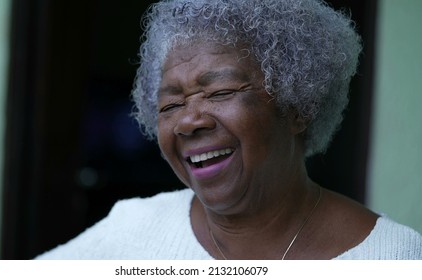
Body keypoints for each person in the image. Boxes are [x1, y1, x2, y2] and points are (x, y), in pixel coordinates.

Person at [36, 0, 422, 259]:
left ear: (298, 106)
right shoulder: (132, 230)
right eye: (171, 104)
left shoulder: (395, 254)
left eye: (219, 91)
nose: (189, 121)